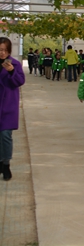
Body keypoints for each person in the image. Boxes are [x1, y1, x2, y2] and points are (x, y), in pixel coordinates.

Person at [0, 37, 26, 181]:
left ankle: (6, 164)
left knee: (5, 135)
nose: (2, 53)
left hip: (8, 105)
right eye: (0, 50)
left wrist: (11, 72)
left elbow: (20, 81)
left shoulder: (14, 64)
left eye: (5, 50)